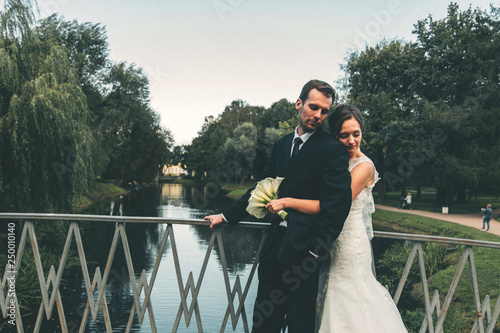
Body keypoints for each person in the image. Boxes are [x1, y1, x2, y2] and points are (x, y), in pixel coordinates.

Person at [204, 79, 352, 333]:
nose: (318, 115)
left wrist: (316, 252)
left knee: (299, 325)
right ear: (298, 103)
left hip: (305, 252)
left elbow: (338, 205)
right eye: (313, 107)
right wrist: (227, 216)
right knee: (264, 322)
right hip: (274, 248)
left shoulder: (332, 149)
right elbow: (262, 188)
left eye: (324, 111)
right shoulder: (282, 144)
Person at [266, 104, 407, 332]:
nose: (352, 140)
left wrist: (287, 202)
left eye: (356, 134)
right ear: (334, 136)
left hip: (350, 245)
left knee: (349, 297)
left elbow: (333, 206)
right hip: (327, 241)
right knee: (327, 297)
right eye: (344, 135)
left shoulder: (364, 167)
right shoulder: (334, 161)